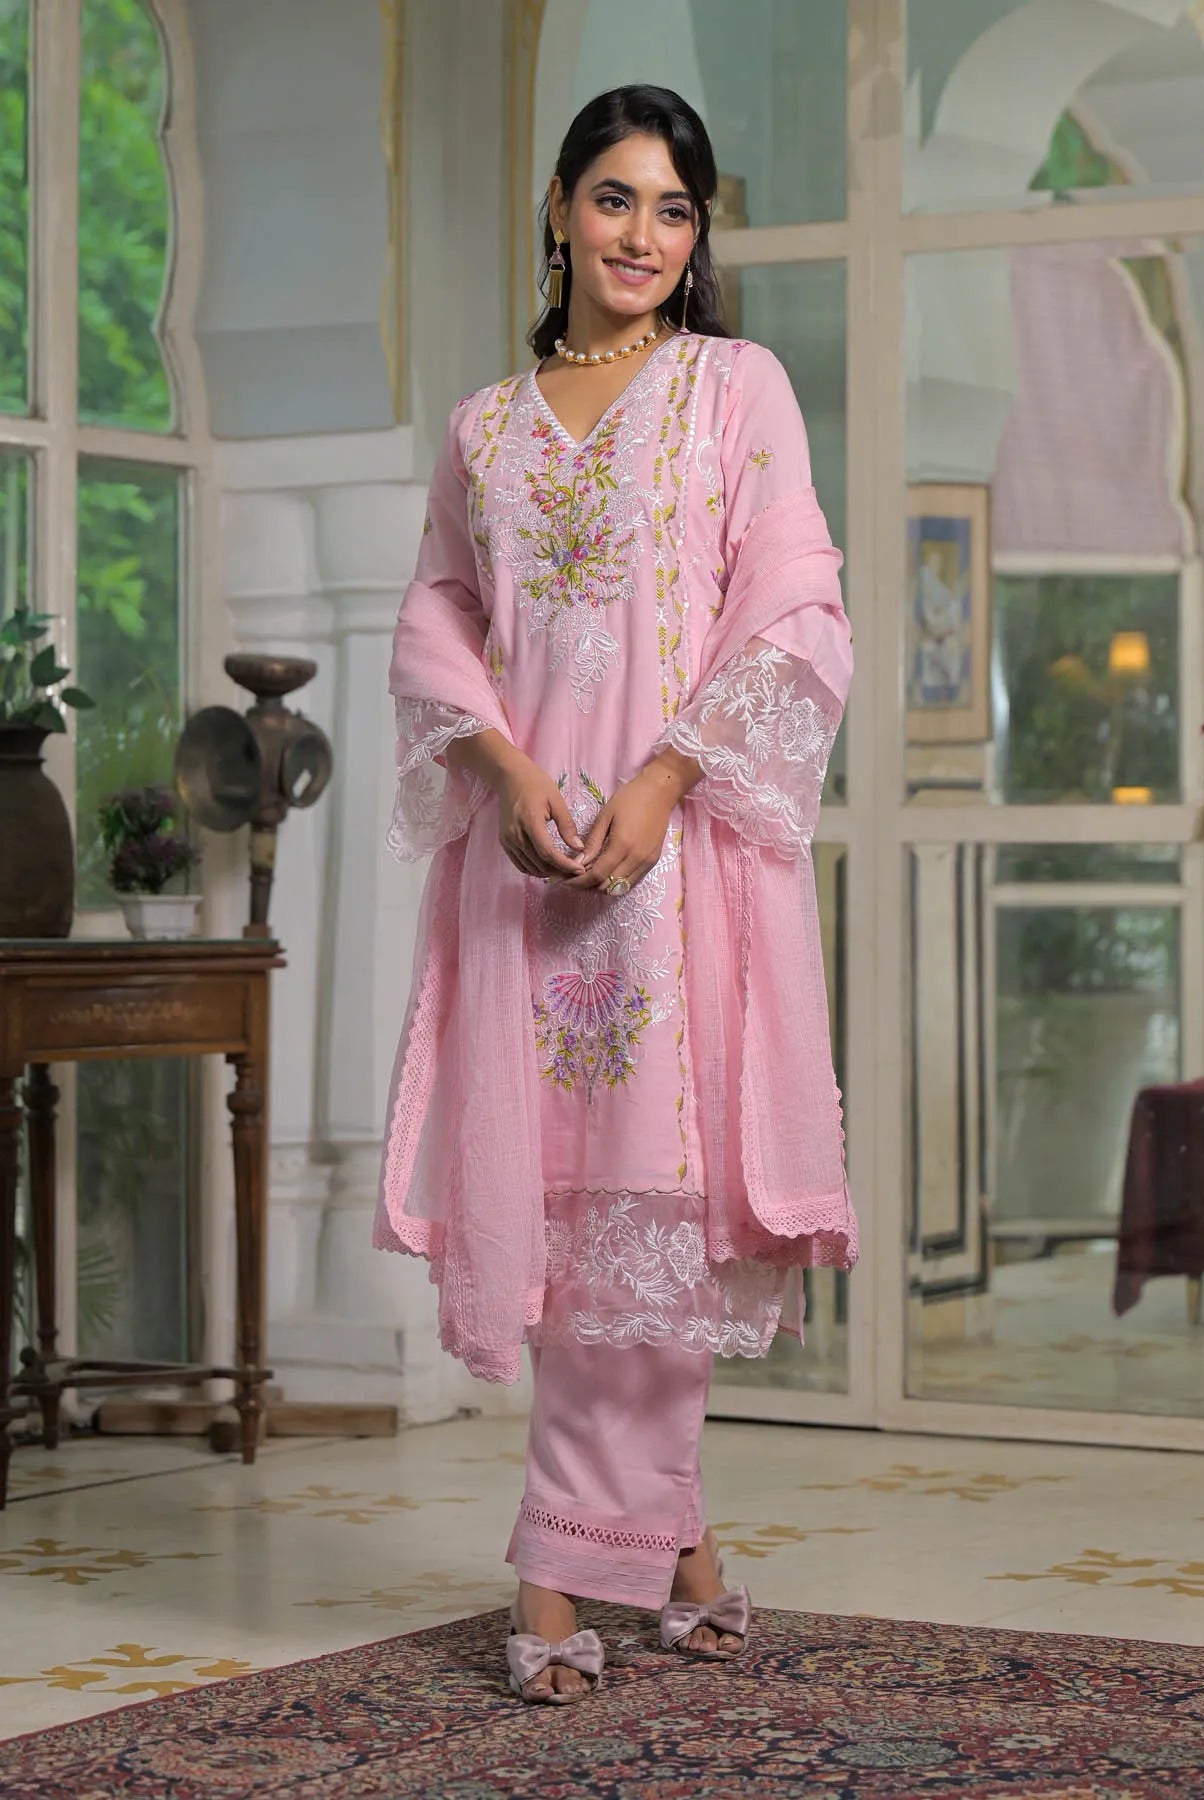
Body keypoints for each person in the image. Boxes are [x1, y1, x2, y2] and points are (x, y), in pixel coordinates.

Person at [375, 83, 856, 1704]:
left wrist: (663, 782)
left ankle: (556, 1564)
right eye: (614, 198)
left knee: (653, 1215)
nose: (643, 235)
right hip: (530, 871)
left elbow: (795, 609)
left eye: (674, 209)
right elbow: (439, 619)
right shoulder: (485, 428)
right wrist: (505, 773)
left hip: (676, 867)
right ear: (559, 210)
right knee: (575, 1221)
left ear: (698, 234)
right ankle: (683, 1557)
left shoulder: (735, 389)